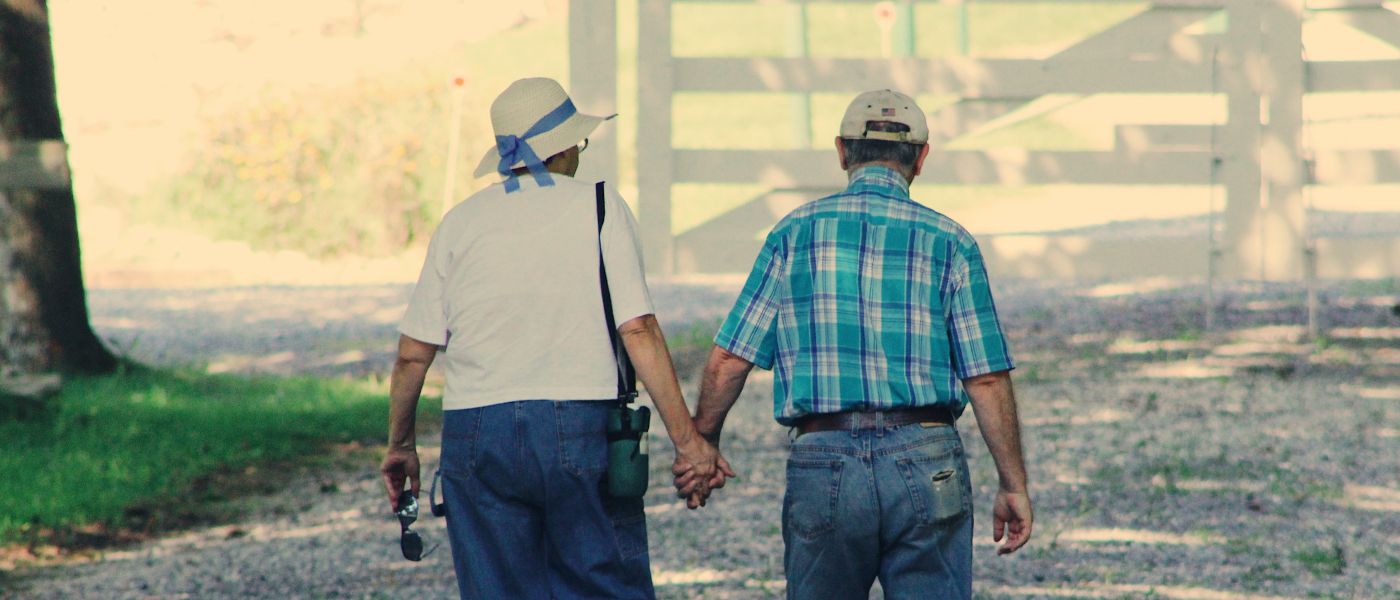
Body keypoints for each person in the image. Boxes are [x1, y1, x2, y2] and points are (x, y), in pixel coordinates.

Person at [676, 89, 1033, 599]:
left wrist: (701, 443)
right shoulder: (951, 241)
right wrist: (1013, 482)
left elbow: (731, 357)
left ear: (842, 151)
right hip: (927, 455)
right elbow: (987, 375)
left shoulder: (793, 234)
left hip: (824, 455)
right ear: (922, 157)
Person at [380, 77, 722, 599]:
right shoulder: (600, 207)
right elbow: (637, 328)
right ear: (563, 147)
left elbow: (412, 356)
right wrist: (688, 442)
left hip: (476, 433)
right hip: (578, 422)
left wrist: (400, 445)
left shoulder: (459, 222)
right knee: (602, 583)